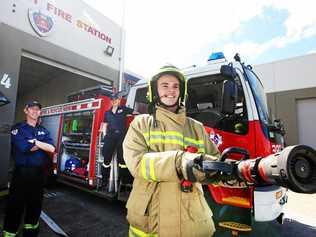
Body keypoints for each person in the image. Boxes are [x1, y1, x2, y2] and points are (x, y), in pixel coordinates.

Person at [123, 65, 224, 237]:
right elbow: (137, 164)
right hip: (148, 221)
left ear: (182, 91)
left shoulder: (196, 128)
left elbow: (216, 165)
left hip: (191, 221)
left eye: (175, 86)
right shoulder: (141, 124)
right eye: (165, 85)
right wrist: (180, 162)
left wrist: (236, 170)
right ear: (154, 91)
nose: (171, 91)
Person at [2, 101, 55, 237]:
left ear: (40, 112)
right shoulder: (18, 129)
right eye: (32, 108)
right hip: (21, 173)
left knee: (35, 205)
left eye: (37, 109)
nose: (35, 111)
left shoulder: (43, 130)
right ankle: (10, 233)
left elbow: (52, 148)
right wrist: (42, 144)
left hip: (38, 174)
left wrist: (35, 142)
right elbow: (24, 148)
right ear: (26, 110)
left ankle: (31, 233)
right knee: (15, 206)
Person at [100, 92, 133, 193]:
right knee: (106, 160)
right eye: (114, 100)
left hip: (121, 137)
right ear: (111, 101)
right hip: (110, 137)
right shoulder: (107, 113)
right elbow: (104, 125)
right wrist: (104, 135)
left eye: (117, 99)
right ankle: (104, 182)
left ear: (119, 100)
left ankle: (125, 182)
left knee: (122, 160)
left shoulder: (124, 109)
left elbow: (136, 113)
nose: (116, 101)